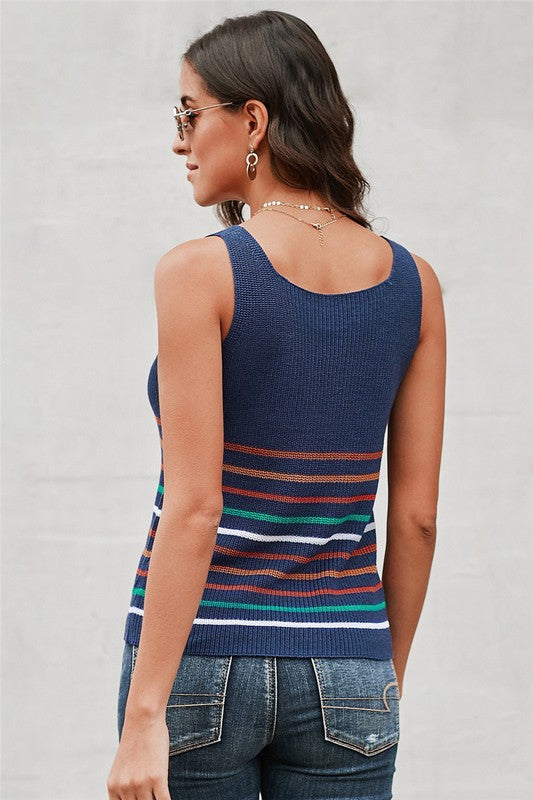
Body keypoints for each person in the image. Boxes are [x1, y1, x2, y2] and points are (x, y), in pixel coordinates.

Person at [107, 9, 446, 800]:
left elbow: (196, 507)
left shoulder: (200, 273)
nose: (180, 141)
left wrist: (145, 714)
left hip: (199, 660)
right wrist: (374, 678)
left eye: (189, 114)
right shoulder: (415, 286)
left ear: (252, 120)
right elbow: (416, 518)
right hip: (348, 659)